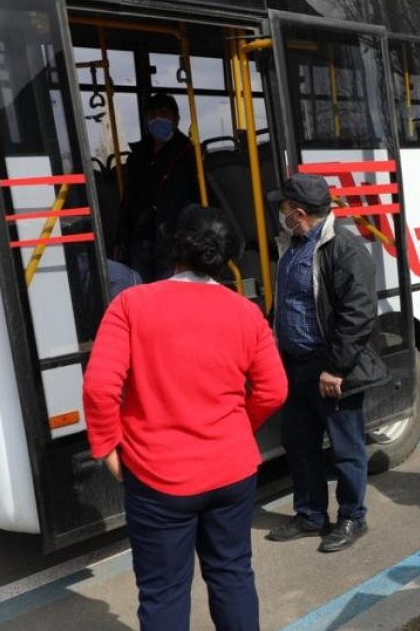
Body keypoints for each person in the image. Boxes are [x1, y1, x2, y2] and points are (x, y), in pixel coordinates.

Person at [82, 206, 287, 631]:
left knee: (164, 593)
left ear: (174, 246)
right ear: (225, 255)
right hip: (232, 473)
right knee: (232, 576)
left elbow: (100, 388)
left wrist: (107, 447)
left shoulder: (131, 305)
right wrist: (236, 430)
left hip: (158, 478)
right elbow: (274, 390)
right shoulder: (246, 312)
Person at [264, 173, 389, 553]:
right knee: (299, 443)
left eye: (284, 207)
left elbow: (359, 315)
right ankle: (311, 515)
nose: (280, 212)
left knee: (345, 447)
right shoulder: (293, 245)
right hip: (295, 365)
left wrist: (335, 368)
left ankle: (352, 517)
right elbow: (286, 301)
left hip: (329, 367)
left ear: (299, 212)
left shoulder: (345, 250)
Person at [120, 92, 201, 282]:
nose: (158, 119)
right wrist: (121, 238)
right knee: (144, 292)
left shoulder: (188, 154)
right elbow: (128, 199)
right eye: (153, 115)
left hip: (174, 239)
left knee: (170, 292)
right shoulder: (138, 155)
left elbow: (193, 198)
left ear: (176, 118)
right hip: (141, 237)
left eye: (164, 113)